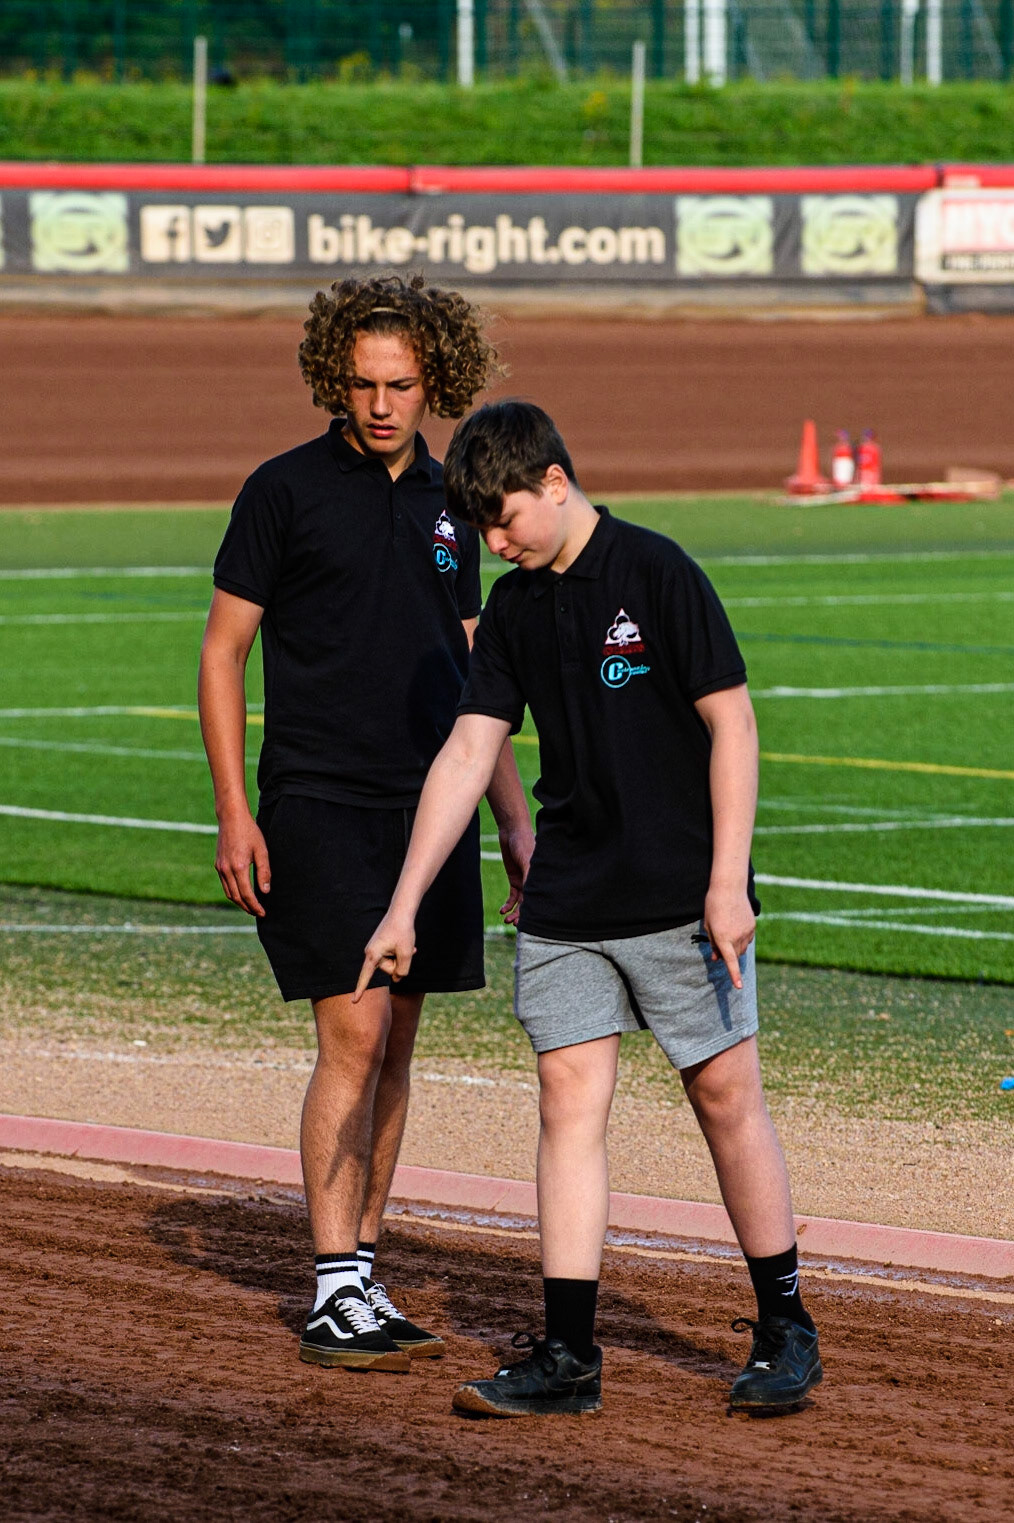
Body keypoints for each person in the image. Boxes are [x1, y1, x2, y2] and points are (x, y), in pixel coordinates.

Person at [355, 400, 822, 1414]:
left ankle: (785, 1324)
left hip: (680, 894)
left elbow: (732, 724)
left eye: (506, 516)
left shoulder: (658, 572)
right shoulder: (517, 608)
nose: (495, 540)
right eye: (480, 525)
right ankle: (569, 1355)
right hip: (567, 901)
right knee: (569, 1102)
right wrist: (402, 905)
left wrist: (728, 879)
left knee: (725, 1097)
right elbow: (470, 750)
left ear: (556, 483)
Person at [198, 278, 533, 1374]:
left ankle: (364, 1273)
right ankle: (333, 1281)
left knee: (397, 1042)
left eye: (399, 384)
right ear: (331, 380)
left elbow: (484, 675)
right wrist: (236, 809)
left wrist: (518, 827)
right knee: (352, 1030)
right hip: (317, 800)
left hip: (429, 815)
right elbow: (222, 653)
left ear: (434, 376)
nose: (381, 404)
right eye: (361, 384)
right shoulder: (283, 491)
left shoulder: (454, 497)